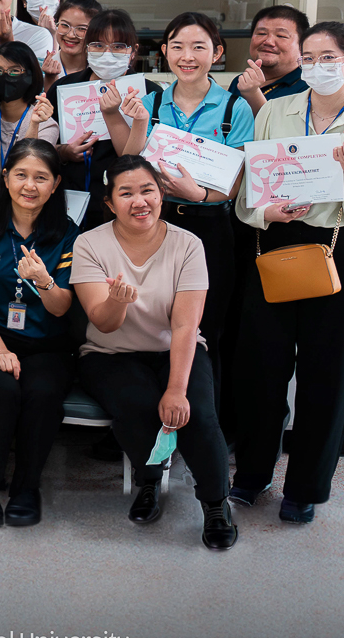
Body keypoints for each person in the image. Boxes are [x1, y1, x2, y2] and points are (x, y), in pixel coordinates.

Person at [233, 20, 344, 526]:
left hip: (338, 247)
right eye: (308, 58)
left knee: (328, 375)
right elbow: (247, 191)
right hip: (276, 242)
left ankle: (305, 487)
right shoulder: (274, 111)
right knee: (261, 369)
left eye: (328, 58)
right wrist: (267, 212)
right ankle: (251, 475)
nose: (317, 66)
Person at [72, 156, 236, 550]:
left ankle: (216, 504)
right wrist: (116, 301)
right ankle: (148, 483)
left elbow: (185, 326)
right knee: (140, 404)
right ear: (110, 203)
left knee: (197, 411)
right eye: (126, 193)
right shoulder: (89, 243)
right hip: (110, 352)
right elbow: (103, 323)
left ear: (161, 194)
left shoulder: (188, 244)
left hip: (174, 347)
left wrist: (177, 390)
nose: (139, 201)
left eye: (147, 190)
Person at [123, 11, 254, 416]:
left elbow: (237, 183)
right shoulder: (150, 103)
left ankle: (205, 427)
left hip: (210, 228)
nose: (187, 56)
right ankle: (150, 425)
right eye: (178, 46)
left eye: (199, 47)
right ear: (164, 51)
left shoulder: (235, 108)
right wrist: (137, 123)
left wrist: (199, 195)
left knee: (206, 329)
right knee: (148, 324)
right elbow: (129, 166)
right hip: (155, 227)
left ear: (217, 53)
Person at [0, 140, 79, 528]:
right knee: (3, 390)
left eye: (41, 178)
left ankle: (27, 487)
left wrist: (44, 280)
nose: (30, 185)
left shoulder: (67, 234)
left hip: (48, 344)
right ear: (6, 178)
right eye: (21, 175)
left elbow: (61, 307)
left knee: (43, 393)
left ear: (55, 184)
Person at [58, 8, 146, 203]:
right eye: (98, 45)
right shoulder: (65, 88)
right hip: (71, 197)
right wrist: (64, 152)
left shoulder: (149, 93)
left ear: (133, 51)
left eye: (118, 46)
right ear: (86, 47)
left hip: (127, 202)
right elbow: (45, 146)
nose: (107, 54)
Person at [0, 42, 58, 175]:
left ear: (31, 74)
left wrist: (34, 124)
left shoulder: (45, 125)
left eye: (14, 71)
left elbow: (31, 166)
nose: (5, 76)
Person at [230, 4, 310, 115]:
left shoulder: (309, 87)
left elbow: (282, 125)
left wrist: (253, 94)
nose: (268, 42)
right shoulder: (240, 81)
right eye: (261, 33)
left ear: (302, 46)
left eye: (281, 36)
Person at [48, 0, 102, 90]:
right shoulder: (41, 69)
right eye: (64, 25)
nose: (70, 35)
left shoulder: (103, 71)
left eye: (81, 29)